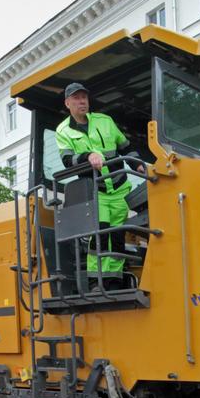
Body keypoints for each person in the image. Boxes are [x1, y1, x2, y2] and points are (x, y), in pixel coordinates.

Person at [55, 82, 139, 286]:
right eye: (76, 98)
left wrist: (137, 166)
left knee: (118, 236)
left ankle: (115, 280)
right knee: (100, 235)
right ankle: (96, 282)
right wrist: (88, 156)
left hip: (119, 188)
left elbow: (126, 146)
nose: (82, 101)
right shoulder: (63, 131)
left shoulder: (105, 121)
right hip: (95, 191)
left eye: (84, 97)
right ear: (68, 103)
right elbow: (68, 160)